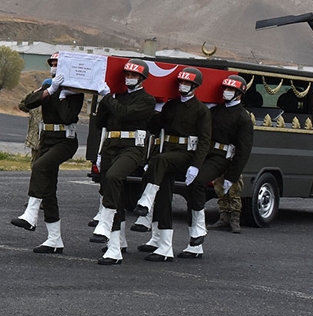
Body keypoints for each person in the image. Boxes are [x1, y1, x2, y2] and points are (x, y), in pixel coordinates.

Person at [11, 52, 86, 253]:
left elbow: (69, 117)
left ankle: (31, 213)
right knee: (49, 189)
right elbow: (27, 103)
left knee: (40, 166)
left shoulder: (75, 92)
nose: (54, 67)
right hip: (47, 140)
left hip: (65, 141)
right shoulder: (48, 87)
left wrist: (61, 96)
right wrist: (50, 90)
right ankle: (55, 239)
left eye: (58, 64)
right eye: (52, 64)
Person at [134, 67, 211, 262]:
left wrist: (196, 165)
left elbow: (204, 140)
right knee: (164, 197)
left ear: (195, 86)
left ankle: (146, 201)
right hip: (168, 153)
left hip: (186, 154)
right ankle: (164, 246)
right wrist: (157, 110)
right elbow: (154, 128)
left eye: (187, 84)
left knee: (159, 162)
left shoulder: (201, 110)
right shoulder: (171, 106)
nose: (183, 86)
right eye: (181, 83)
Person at [178, 75, 253, 258]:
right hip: (206, 152)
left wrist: (232, 176)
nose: (226, 92)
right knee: (191, 188)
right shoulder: (215, 111)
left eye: (231, 90)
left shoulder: (243, 118)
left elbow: (243, 151)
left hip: (223, 157)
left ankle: (200, 227)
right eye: (225, 89)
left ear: (239, 93)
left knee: (197, 183)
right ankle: (195, 236)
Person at [92, 59, 157, 266]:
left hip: (133, 148)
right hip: (111, 146)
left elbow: (124, 114)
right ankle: (114, 247)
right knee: (113, 192)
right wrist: (103, 99)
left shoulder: (147, 100)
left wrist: (108, 98)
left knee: (114, 176)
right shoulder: (116, 97)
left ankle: (104, 221)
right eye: (127, 75)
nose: (129, 79)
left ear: (142, 79)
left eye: (134, 76)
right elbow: (100, 122)